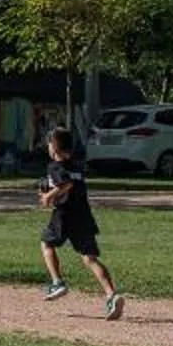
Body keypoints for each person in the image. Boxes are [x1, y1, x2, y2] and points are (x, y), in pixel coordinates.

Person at [37, 126, 125, 319]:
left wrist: (48, 197)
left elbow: (65, 184)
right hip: (83, 216)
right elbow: (70, 182)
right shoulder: (77, 166)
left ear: (54, 148)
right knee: (89, 258)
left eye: (49, 144)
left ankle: (57, 282)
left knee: (46, 243)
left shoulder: (54, 166)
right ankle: (112, 295)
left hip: (64, 215)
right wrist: (50, 189)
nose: (48, 148)